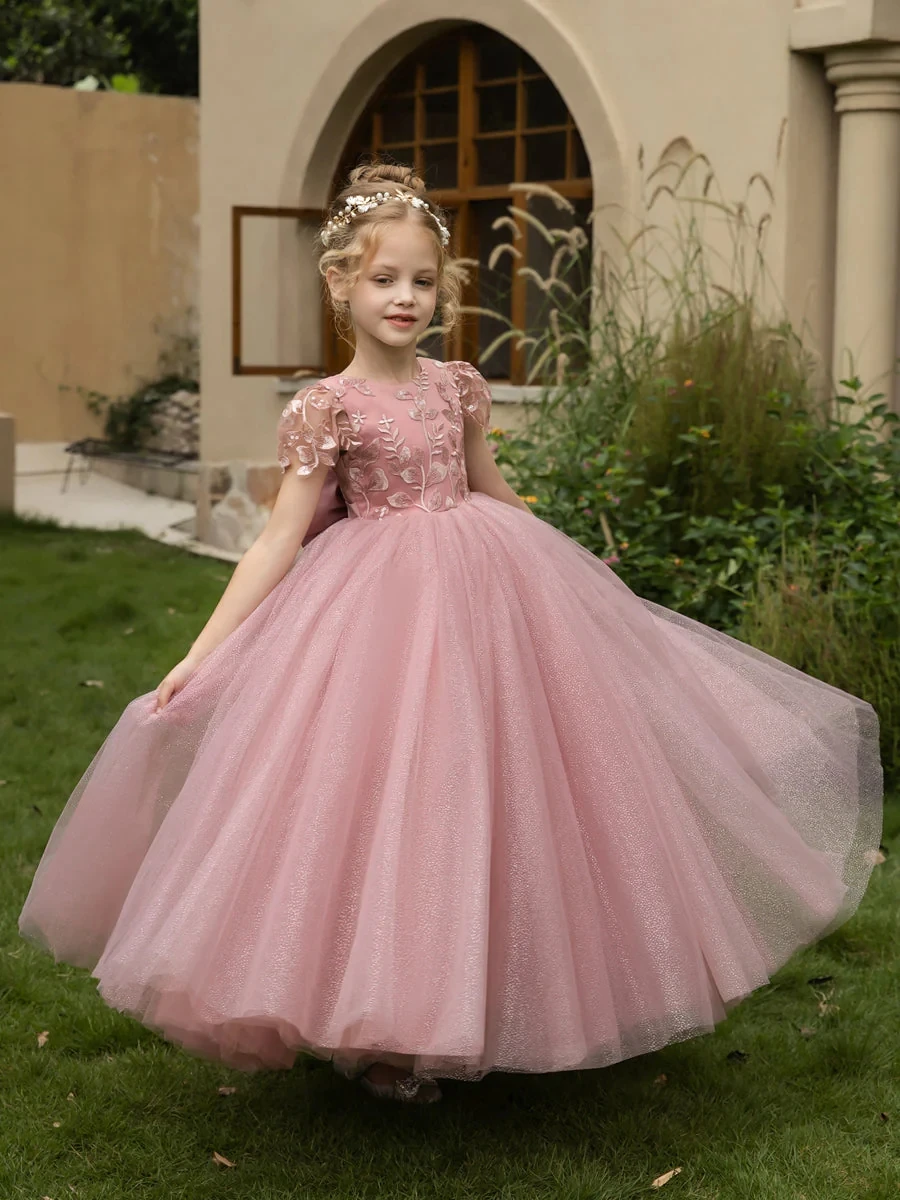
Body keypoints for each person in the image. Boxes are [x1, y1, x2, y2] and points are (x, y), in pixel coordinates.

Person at [18, 162, 883, 1107]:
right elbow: (279, 536)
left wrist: (573, 569)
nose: (405, 297)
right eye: (384, 278)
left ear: (444, 289)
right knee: (391, 802)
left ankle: (512, 987)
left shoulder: (459, 387)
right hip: (375, 616)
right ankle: (386, 1027)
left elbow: (490, 491)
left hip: (490, 596)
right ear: (341, 284)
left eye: (423, 281)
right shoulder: (327, 406)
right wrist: (204, 652)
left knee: (511, 795)